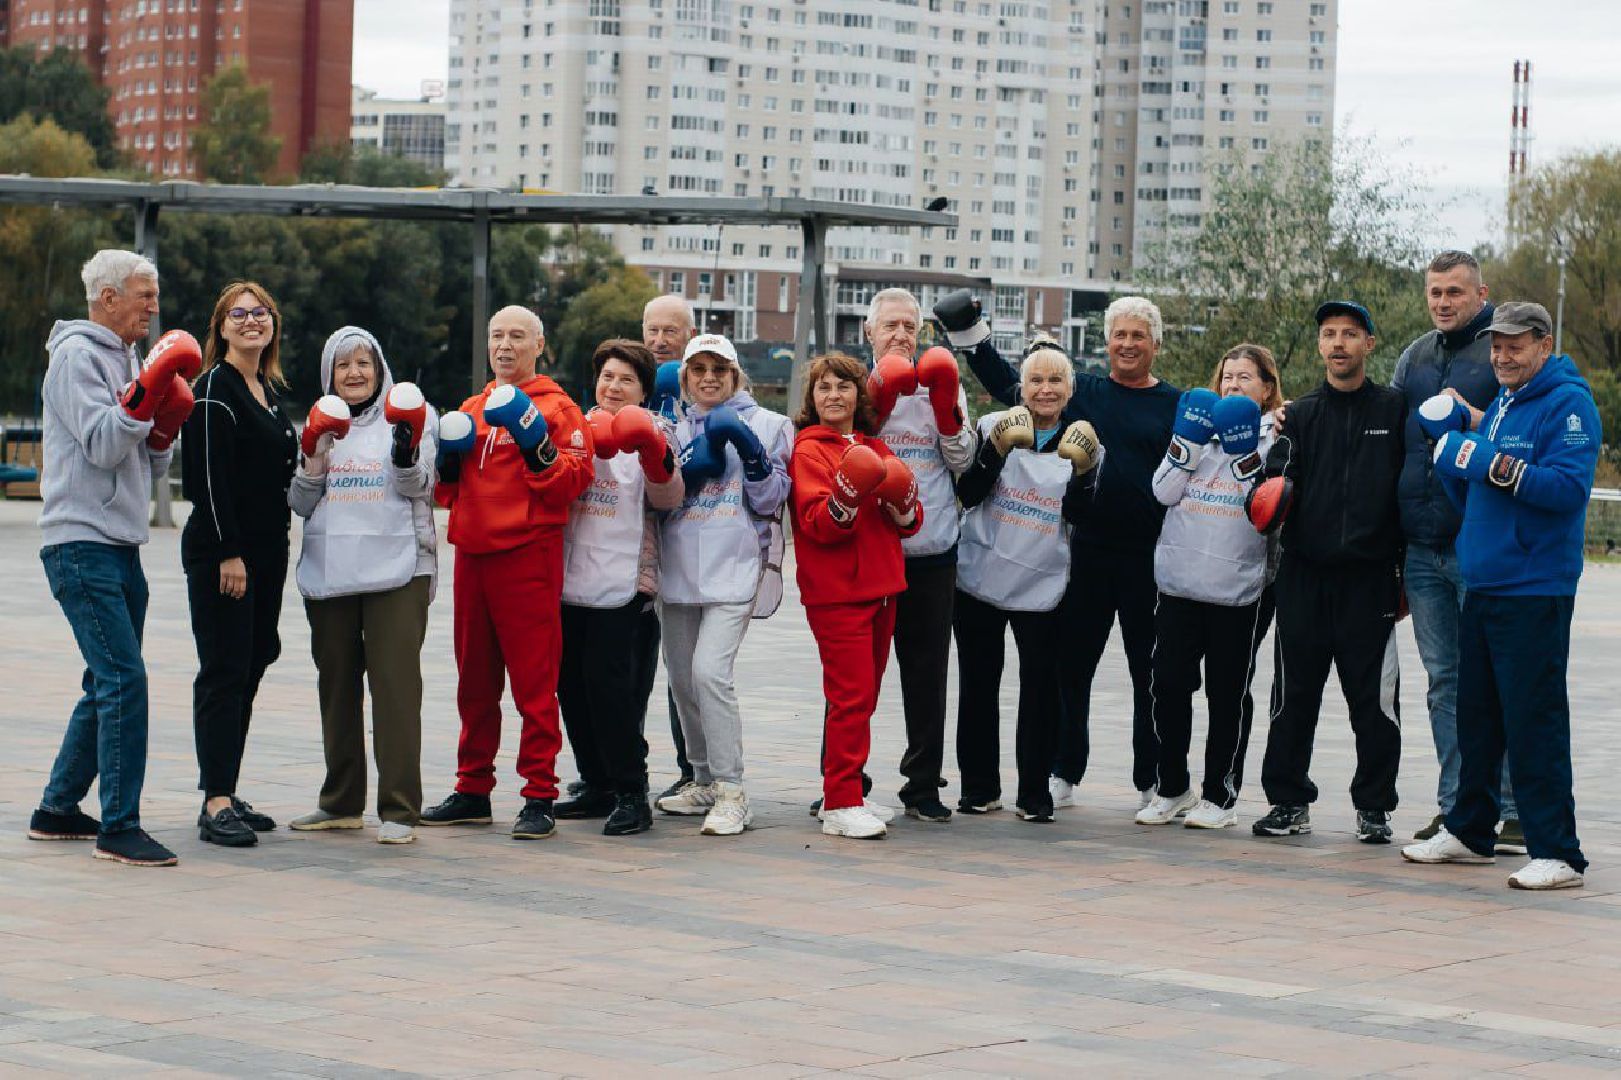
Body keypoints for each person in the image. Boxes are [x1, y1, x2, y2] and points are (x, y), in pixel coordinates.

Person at [939, 291, 1179, 811]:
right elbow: (1015, 383)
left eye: (1139, 335)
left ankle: (1152, 781)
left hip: (1145, 557)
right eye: (1120, 334)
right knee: (1070, 672)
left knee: (1149, 673)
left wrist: (1274, 418)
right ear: (1107, 342)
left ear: (1156, 343)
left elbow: (1204, 452)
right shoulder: (1082, 391)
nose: (1128, 344)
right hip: (1082, 558)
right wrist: (969, 333)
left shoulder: (1174, 402)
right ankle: (1061, 771)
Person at [1403, 302, 1601, 890]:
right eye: (1496, 346)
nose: (1502, 356)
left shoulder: (1570, 403)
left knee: (1532, 718)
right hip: (1485, 581)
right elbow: (1481, 494)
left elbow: (1566, 490)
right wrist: (1455, 461)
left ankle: (1557, 850)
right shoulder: (1503, 405)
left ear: (1543, 344)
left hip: (1533, 586)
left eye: (1515, 345)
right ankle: (1470, 831)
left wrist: (1487, 461)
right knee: (1478, 717)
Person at [29, 250, 196, 867]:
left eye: (154, 295)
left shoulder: (126, 358)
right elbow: (101, 445)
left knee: (105, 681)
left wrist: (163, 427)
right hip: (80, 543)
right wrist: (142, 399)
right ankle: (119, 826)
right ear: (107, 299)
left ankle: (57, 807)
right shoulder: (75, 357)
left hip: (121, 544)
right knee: (125, 681)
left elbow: (143, 464)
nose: (154, 306)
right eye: (144, 295)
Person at [423, 306, 595, 840]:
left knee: (534, 684)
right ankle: (473, 788)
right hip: (473, 556)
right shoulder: (470, 409)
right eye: (496, 335)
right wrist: (445, 466)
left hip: (528, 558)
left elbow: (576, 480)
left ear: (538, 345)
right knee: (474, 681)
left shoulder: (559, 408)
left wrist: (536, 446)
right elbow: (445, 494)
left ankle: (539, 794)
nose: (504, 346)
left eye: (516, 336)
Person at [1249, 301, 1406, 844]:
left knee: (1375, 701)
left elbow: (1408, 497)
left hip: (1370, 580)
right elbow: (1271, 489)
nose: (1338, 343)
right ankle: (1289, 802)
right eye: (1329, 335)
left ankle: (1374, 808)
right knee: (1293, 697)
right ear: (1320, 346)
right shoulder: (1300, 415)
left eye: (1350, 334)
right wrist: (1262, 494)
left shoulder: (1395, 411)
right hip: (1305, 577)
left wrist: (1403, 573)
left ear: (1370, 343)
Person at [286, 328, 438, 845]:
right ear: (328, 373)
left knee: (395, 691)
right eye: (343, 364)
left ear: (379, 369)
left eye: (363, 363)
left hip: (398, 571)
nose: (354, 373)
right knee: (337, 689)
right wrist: (312, 453)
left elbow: (422, 486)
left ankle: (399, 809)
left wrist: (404, 446)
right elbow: (301, 503)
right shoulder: (316, 421)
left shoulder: (413, 413)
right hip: (331, 573)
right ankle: (340, 801)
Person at [1391, 251, 1520, 849]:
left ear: (1481, 294)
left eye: (1454, 293)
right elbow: (1391, 445)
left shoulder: (1504, 354)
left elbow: (1526, 430)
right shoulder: (1413, 357)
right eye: (1434, 292)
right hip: (1421, 548)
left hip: (1481, 544)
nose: (1443, 302)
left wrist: (1476, 419)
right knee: (1444, 681)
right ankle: (1456, 807)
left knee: (1496, 676)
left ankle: (1513, 808)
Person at [953, 347, 1102, 822]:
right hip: (981, 571)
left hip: (1042, 580)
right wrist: (995, 452)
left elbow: (1081, 517)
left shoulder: (1085, 441)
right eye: (1036, 379)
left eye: (1056, 381)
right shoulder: (990, 425)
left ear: (1069, 390)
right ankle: (979, 787)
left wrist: (1083, 472)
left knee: (1040, 687)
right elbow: (967, 494)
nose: (1045, 389)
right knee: (978, 682)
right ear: (1022, 385)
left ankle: (1035, 792)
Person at [654, 333, 792, 836]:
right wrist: (682, 472)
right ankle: (705, 777)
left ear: (736, 375)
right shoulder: (668, 429)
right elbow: (656, 498)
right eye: (698, 369)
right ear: (685, 377)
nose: (709, 377)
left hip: (735, 567)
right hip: (678, 569)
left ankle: (734, 792)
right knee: (684, 680)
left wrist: (752, 454)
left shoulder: (770, 424)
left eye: (719, 368)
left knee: (711, 674)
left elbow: (775, 496)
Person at [1138, 345, 1281, 830]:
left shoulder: (1274, 438)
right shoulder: (1194, 427)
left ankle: (1220, 794)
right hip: (1178, 584)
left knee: (1227, 695)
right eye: (1228, 376)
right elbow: (1160, 492)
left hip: (1237, 591)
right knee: (1168, 687)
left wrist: (1245, 457)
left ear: (1266, 388)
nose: (1234, 385)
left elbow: (1264, 511)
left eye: (1245, 377)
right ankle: (1172, 787)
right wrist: (1187, 447)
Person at [181, 281, 298, 849]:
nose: (252, 321)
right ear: (221, 327)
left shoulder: (268, 392)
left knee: (253, 661)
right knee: (225, 670)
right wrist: (229, 550)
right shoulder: (213, 389)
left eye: (261, 313)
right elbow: (206, 478)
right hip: (226, 556)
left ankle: (224, 783)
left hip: (267, 554)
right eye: (239, 314)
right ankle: (215, 802)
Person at [790, 351, 923, 838]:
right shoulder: (808, 449)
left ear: (858, 395)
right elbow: (817, 526)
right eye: (823, 387)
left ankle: (846, 793)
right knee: (848, 697)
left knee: (864, 697)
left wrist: (903, 502)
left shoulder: (875, 445)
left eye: (843, 386)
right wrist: (846, 499)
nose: (833, 395)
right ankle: (841, 799)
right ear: (812, 398)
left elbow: (910, 521)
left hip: (882, 587)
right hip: (836, 592)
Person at [554, 340, 684, 836]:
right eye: (607, 377)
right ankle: (596, 782)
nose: (613, 387)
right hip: (569, 577)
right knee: (571, 686)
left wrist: (650, 448)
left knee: (610, 688)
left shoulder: (660, 431)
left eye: (625, 380)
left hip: (626, 581)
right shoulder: (573, 427)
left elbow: (670, 498)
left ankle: (633, 789)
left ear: (644, 390)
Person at [858, 288, 977, 823]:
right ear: (870, 333)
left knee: (927, 673)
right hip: (868, 546)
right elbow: (842, 448)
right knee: (856, 670)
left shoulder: (938, 380)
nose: (902, 335)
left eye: (910, 326)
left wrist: (947, 410)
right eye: (891, 326)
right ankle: (844, 778)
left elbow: (963, 459)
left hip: (931, 550)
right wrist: (877, 400)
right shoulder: (854, 385)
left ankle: (923, 784)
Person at [641, 294, 699, 800]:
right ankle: (622, 771)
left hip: (689, 545)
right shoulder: (627, 385)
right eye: (652, 331)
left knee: (688, 667)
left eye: (671, 332)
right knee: (632, 665)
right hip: (632, 552)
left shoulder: (702, 388)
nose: (660, 341)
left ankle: (693, 768)